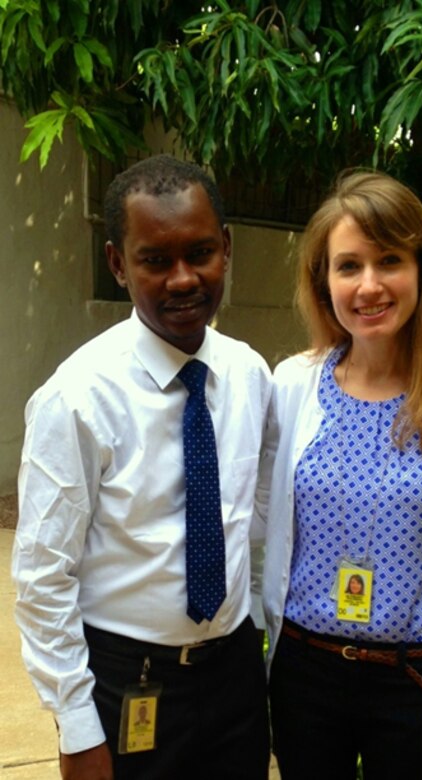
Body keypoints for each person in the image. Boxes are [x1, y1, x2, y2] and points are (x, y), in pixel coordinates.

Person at [12, 155, 271, 780]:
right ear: (118, 264)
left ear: (226, 250)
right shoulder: (75, 399)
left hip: (236, 670)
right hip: (130, 679)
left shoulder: (250, 374)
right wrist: (77, 728)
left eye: (201, 252)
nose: (183, 279)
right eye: (156, 260)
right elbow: (43, 578)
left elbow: (257, 524)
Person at [261, 170, 422, 779]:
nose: (369, 285)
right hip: (306, 671)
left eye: (389, 260)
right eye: (348, 266)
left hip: (420, 678)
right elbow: (263, 521)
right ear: (324, 282)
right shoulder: (292, 383)